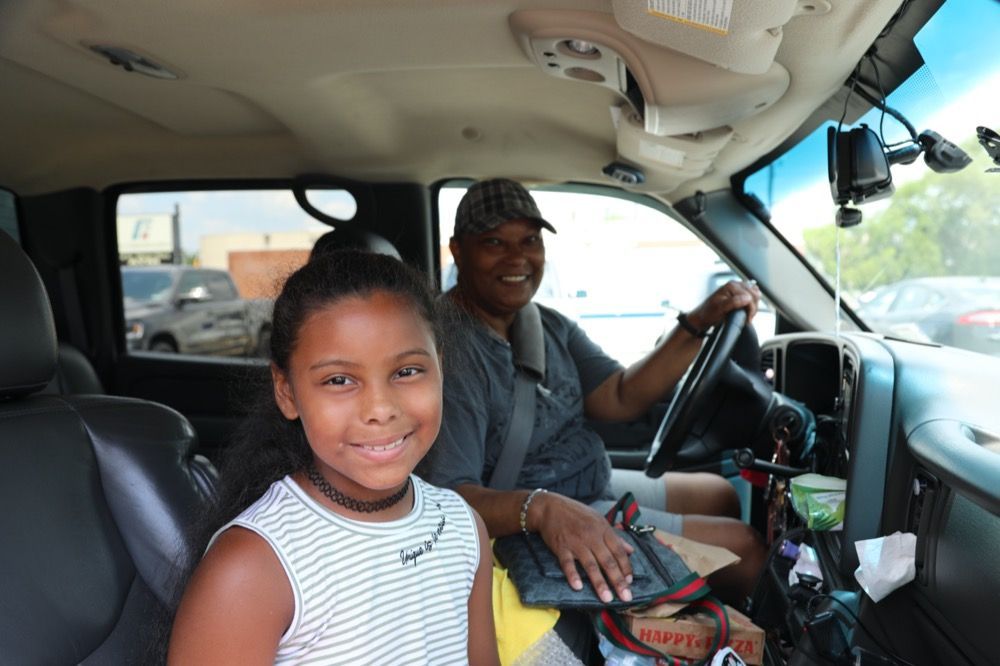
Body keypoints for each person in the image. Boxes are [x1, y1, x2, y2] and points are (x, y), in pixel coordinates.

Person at [422, 178, 766, 607]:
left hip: (585, 485)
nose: (517, 257)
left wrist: (700, 320)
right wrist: (543, 508)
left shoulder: (545, 325)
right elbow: (453, 498)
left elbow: (619, 396)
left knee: (721, 493)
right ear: (458, 251)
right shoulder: (449, 351)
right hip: (532, 520)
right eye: (494, 241)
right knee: (746, 550)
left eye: (529, 240)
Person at [168, 251, 499, 665]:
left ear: (440, 368)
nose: (380, 408)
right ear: (286, 391)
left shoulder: (462, 527)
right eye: (339, 380)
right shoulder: (254, 567)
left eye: (407, 371)